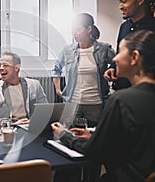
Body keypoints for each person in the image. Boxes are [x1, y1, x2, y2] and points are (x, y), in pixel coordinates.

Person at [52, 30, 155, 182]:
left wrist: (63, 135)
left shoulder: (121, 100)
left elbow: (95, 152)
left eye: (120, 52)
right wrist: (95, 136)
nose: (115, 58)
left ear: (134, 58)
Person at [51, 13, 116, 128]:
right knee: (70, 135)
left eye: (77, 29)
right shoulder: (68, 50)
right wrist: (58, 90)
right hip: (72, 103)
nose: (73, 33)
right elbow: (56, 69)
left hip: (96, 104)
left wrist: (111, 69)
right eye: (72, 30)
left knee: (94, 138)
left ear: (89, 29)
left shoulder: (104, 49)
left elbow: (118, 63)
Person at [104, 0, 155, 90]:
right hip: (121, 90)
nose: (120, 7)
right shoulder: (124, 27)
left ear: (140, 0)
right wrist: (113, 68)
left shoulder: (152, 28)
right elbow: (120, 53)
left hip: (144, 94)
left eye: (124, 1)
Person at [0, 51, 48, 126]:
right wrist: (11, 124)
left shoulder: (35, 85)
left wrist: (32, 122)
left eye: (5, 65)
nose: (1, 68)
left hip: (31, 126)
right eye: (0, 65)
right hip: (8, 129)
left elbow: (45, 110)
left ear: (16, 68)